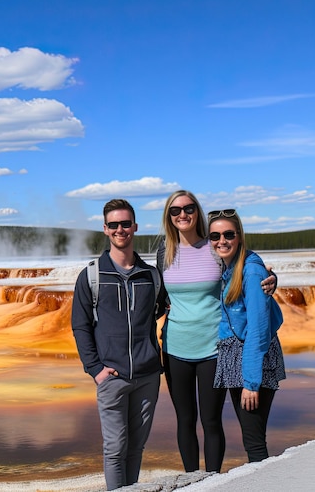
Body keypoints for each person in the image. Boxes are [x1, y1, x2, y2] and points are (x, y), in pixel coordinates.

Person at [157, 190, 276, 473]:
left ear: (197, 211)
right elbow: (159, 296)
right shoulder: (165, 251)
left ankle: (212, 480)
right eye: (175, 210)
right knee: (185, 420)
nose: (182, 214)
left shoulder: (213, 246)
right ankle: (190, 481)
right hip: (174, 347)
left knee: (211, 421)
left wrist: (273, 279)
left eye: (188, 208)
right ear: (168, 216)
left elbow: (247, 262)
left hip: (213, 348)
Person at [71, 199, 166, 490]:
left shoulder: (150, 276)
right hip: (111, 376)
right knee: (115, 448)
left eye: (125, 224)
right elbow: (80, 326)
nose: (120, 230)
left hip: (148, 376)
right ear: (105, 229)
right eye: (114, 225)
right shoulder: (91, 276)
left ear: (135, 227)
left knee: (136, 447)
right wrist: (95, 369)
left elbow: (167, 309)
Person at [209, 209, 285, 463]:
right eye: (215, 235)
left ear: (239, 236)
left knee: (253, 439)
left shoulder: (251, 273)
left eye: (229, 234)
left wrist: (251, 383)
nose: (222, 240)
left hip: (251, 360)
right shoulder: (232, 267)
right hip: (236, 356)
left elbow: (259, 329)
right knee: (252, 435)